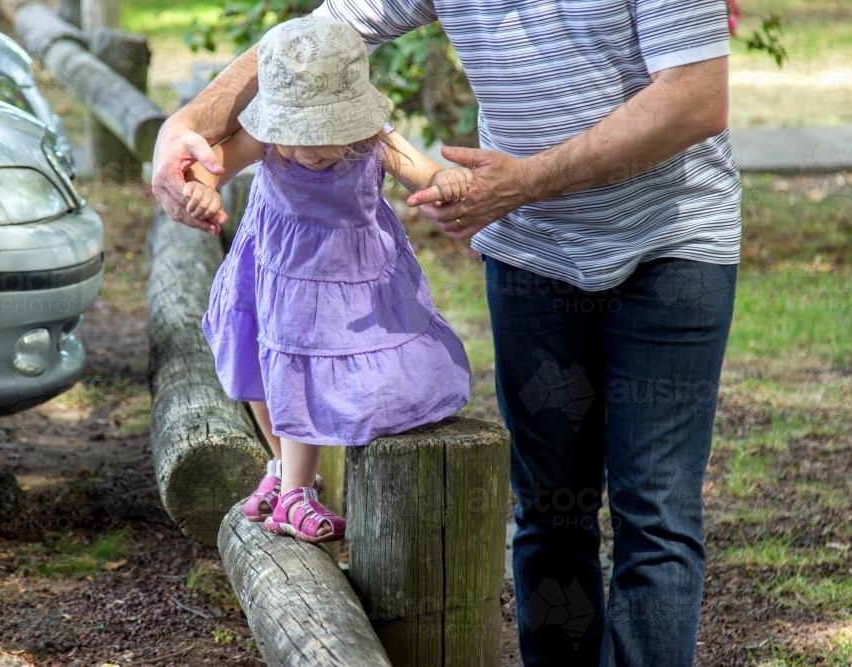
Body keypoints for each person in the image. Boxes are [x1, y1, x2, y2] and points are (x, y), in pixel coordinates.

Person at [152, 1, 739, 663]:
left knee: (655, 512)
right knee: (550, 509)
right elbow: (322, 32)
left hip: (671, 246)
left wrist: (527, 181)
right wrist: (187, 126)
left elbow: (695, 98)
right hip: (532, 254)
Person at [176, 16, 472, 544]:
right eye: (300, 134)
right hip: (279, 272)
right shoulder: (264, 139)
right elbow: (212, 164)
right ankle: (287, 478)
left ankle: (294, 488)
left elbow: (423, 172)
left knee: (314, 365)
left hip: (349, 279)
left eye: (328, 133)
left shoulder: (375, 140)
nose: (313, 148)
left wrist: (444, 181)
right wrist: (200, 187)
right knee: (263, 361)